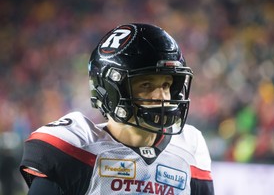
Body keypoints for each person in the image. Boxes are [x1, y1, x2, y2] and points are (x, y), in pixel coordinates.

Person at [20, 23, 215, 195]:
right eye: (146, 85)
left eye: (166, 85)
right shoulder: (76, 149)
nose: (161, 96)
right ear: (110, 92)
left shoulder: (189, 148)